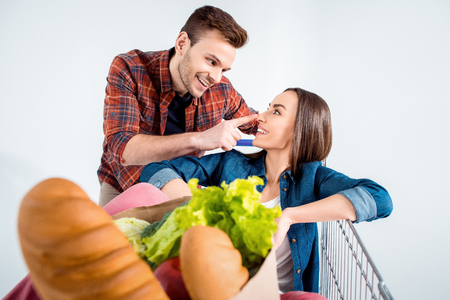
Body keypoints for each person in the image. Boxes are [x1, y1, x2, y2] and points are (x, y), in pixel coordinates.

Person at [139, 87, 394, 293]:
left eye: (276, 112)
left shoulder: (313, 178)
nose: (260, 115)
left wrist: (290, 216)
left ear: (299, 130)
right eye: (268, 107)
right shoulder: (231, 164)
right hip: (221, 288)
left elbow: (380, 199)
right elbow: (155, 170)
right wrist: (194, 208)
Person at [97, 5, 258, 206]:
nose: (216, 78)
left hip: (176, 188)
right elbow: (123, 150)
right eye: (211, 61)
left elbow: (256, 122)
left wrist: (296, 125)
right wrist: (200, 140)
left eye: (224, 70)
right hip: (124, 184)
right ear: (182, 44)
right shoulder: (130, 68)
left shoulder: (222, 90)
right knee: (109, 237)